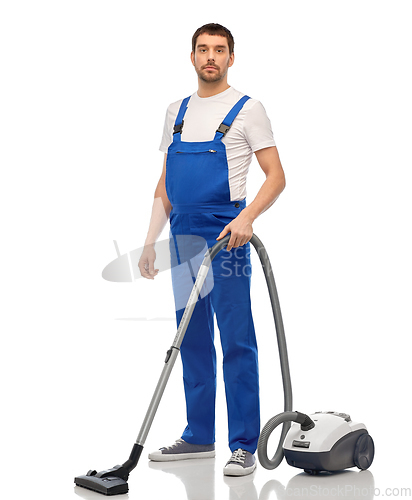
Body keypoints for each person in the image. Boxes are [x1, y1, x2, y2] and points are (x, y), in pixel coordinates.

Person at [138, 23, 286, 477]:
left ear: (231, 57)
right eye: (203, 49)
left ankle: (243, 443)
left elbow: (276, 176)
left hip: (228, 235)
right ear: (192, 56)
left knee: (236, 339)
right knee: (192, 338)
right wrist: (149, 240)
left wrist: (247, 218)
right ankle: (199, 435)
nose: (211, 57)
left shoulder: (248, 109)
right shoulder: (175, 111)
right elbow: (166, 183)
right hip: (181, 233)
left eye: (219, 50)